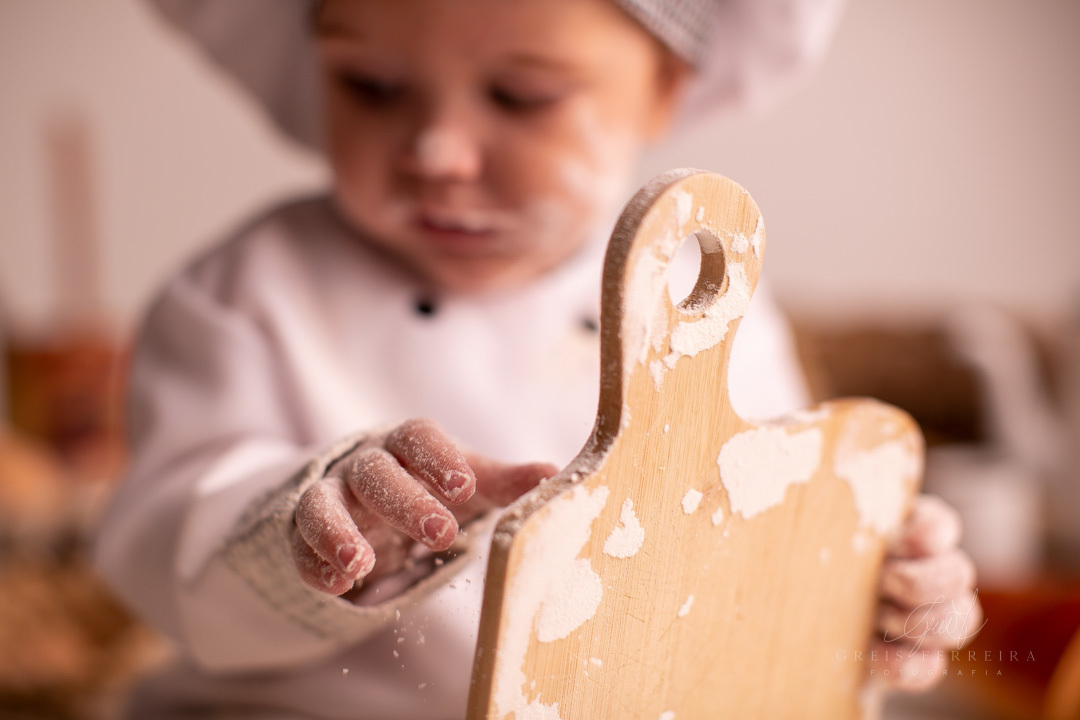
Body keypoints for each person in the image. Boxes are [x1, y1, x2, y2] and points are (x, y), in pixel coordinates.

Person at [95, 0, 981, 717]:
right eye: (368, 85)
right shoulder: (249, 291)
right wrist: (313, 527)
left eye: (519, 96)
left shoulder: (707, 297)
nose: (437, 152)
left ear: (665, 89)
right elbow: (166, 547)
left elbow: (762, 540)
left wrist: (866, 591)